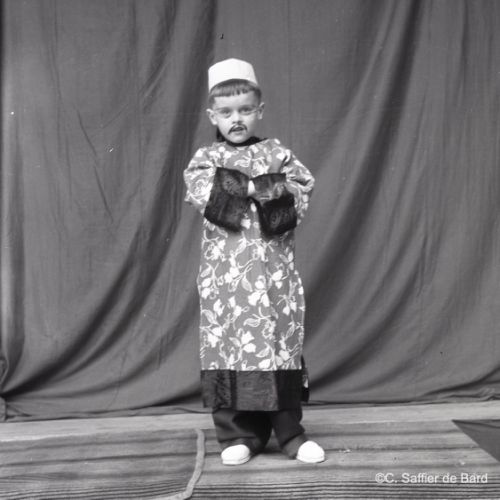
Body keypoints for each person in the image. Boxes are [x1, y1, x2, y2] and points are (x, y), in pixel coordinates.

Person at [184, 58, 325, 466]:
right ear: (212, 116)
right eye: (226, 112)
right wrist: (261, 185)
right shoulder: (206, 158)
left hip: (274, 274)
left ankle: (290, 434)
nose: (237, 119)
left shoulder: (278, 152)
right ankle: (238, 435)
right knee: (229, 346)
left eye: (245, 110)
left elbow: (299, 190)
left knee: (279, 344)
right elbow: (204, 194)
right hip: (226, 280)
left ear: (259, 110)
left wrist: (246, 186)